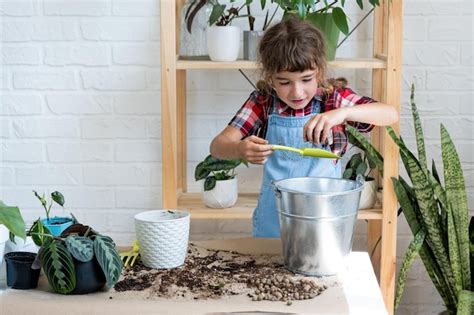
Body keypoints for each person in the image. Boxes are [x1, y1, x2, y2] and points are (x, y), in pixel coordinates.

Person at [209, 18, 398, 238]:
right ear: (270, 78)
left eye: (306, 79)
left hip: (324, 223)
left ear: (319, 71)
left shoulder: (333, 100)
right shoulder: (263, 102)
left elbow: (389, 114)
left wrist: (343, 113)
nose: (297, 93)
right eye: (284, 82)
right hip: (275, 222)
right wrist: (239, 149)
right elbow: (217, 146)